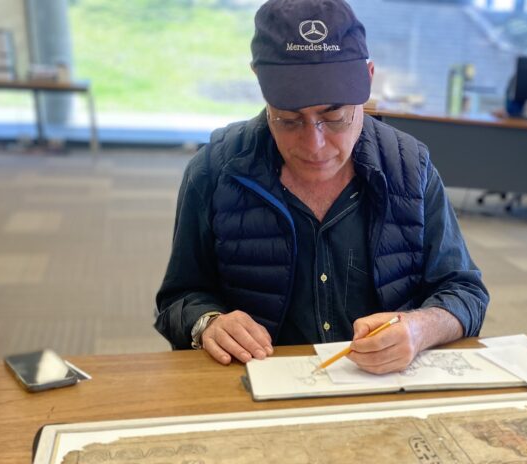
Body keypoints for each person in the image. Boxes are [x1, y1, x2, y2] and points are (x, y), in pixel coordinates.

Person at [154, 0, 489, 374]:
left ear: (369, 77)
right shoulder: (215, 169)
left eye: (334, 116)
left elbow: (466, 293)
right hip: (255, 391)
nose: (314, 146)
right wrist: (208, 323)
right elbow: (177, 299)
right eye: (288, 119)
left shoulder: (410, 167)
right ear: (260, 83)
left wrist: (421, 328)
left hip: (384, 388)